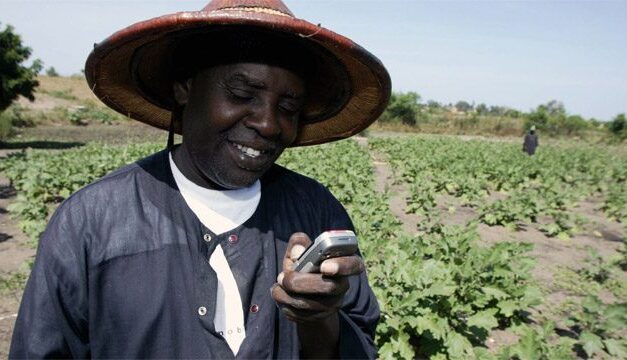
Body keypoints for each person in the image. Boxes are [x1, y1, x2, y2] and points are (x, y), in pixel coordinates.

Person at [9, 0, 391, 358]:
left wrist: (319, 318)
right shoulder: (90, 222)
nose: (268, 123)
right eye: (243, 93)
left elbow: (359, 343)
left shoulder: (316, 211)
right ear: (184, 88)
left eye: (288, 107)